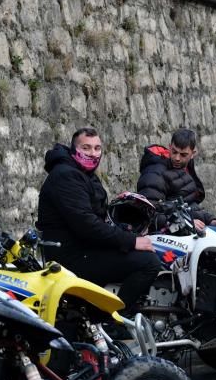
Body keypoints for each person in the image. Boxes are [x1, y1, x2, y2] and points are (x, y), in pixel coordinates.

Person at [36, 128, 162, 311]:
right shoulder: (66, 175)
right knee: (149, 263)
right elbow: (86, 224)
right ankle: (114, 320)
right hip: (72, 256)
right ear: (74, 149)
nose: (92, 154)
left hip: (85, 248)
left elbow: (95, 214)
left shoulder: (82, 174)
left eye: (97, 148)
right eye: (86, 148)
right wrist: (131, 241)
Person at [137, 129, 216, 232]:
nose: (177, 158)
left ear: (193, 154)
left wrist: (211, 220)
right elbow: (147, 213)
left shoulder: (184, 168)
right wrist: (184, 222)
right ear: (169, 147)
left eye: (183, 155)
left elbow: (190, 205)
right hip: (172, 234)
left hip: (186, 229)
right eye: (174, 152)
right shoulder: (154, 173)